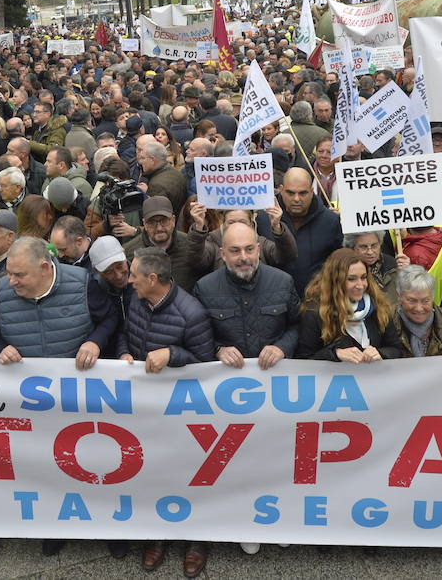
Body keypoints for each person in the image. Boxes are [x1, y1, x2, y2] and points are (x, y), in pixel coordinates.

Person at [0, 236, 119, 558]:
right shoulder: (2, 289)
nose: (11, 281)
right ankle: (56, 527)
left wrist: (95, 342)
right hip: (35, 405)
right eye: (9, 274)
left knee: (98, 462)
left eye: (20, 275)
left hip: (82, 398)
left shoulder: (82, 283)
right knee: (47, 467)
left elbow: (111, 318)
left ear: (45, 268)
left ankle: (112, 530)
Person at [194, 220, 298, 560]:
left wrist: (283, 345)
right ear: (222, 253)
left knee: (278, 460)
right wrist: (216, 351)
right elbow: (197, 336)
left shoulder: (283, 282)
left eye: (249, 249)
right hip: (230, 400)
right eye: (235, 251)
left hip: (276, 397)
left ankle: (281, 521)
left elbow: (300, 326)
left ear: (260, 248)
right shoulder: (205, 288)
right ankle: (247, 524)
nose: (243, 257)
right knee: (238, 465)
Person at [119, 249, 214, 577]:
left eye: (133, 275)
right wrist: (123, 352)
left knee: (189, 472)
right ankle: (157, 534)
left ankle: (195, 540)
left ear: (152, 279)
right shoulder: (136, 300)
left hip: (182, 410)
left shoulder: (192, 313)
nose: (128, 281)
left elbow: (205, 364)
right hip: (145, 406)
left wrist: (172, 354)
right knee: (152, 470)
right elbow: (124, 332)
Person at [296, 248, 406, 361]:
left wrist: (381, 353)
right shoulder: (314, 313)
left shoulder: (378, 305)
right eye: (351, 279)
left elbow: (397, 349)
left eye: (364, 277)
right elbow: (304, 360)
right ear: (335, 281)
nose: (360, 285)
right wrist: (335, 354)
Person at [273, 167, 343, 293]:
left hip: (317, 301)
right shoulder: (264, 219)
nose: (296, 199)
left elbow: (340, 264)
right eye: (290, 193)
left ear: (312, 191)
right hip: (275, 302)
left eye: (303, 193)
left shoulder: (330, 221)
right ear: (281, 190)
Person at [120, 196, 206, 292]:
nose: (159, 228)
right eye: (152, 222)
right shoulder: (130, 253)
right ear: (144, 224)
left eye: (164, 221)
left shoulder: (190, 246)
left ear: (173, 220)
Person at [186, 202, 297, 272]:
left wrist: (277, 227)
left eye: (242, 222)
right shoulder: (213, 242)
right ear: (223, 224)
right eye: (231, 222)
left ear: (252, 224)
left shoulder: (260, 243)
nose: (237, 226)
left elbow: (286, 257)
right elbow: (196, 261)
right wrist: (198, 228)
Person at [391, 265, 442, 357]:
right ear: (399, 297)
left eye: (425, 301)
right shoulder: (385, 320)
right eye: (412, 300)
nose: (419, 308)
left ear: (432, 297)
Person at [345, 231, 401, 303]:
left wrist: (406, 272)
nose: (370, 252)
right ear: (352, 247)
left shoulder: (394, 264)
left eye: (374, 246)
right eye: (363, 247)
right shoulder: (344, 268)